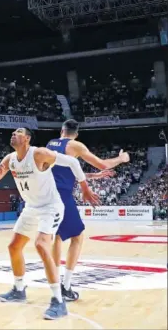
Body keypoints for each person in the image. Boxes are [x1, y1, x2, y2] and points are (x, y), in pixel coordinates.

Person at [0, 128, 101, 320]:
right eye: (13, 132)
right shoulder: (9, 159)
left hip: (50, 206)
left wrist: (84, 187)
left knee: (41, 244)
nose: (14, 133)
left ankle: (58, 301)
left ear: (27, 139)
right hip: (31, 207)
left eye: (19, 132)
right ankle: (19, 290)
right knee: (14, 247)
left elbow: (71, 161)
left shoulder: (39, 153)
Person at [46, 119, 129, 301]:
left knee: (58, 237)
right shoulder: (75, 145)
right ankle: (65, 286)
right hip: (62, 195)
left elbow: (65, 172)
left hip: (49, 194)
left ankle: (55, 282)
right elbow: (103, 164)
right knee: (78, 236)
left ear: (62, 130)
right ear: (76, 134)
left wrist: (91, 176)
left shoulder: (50, 144)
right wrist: (121, 159)